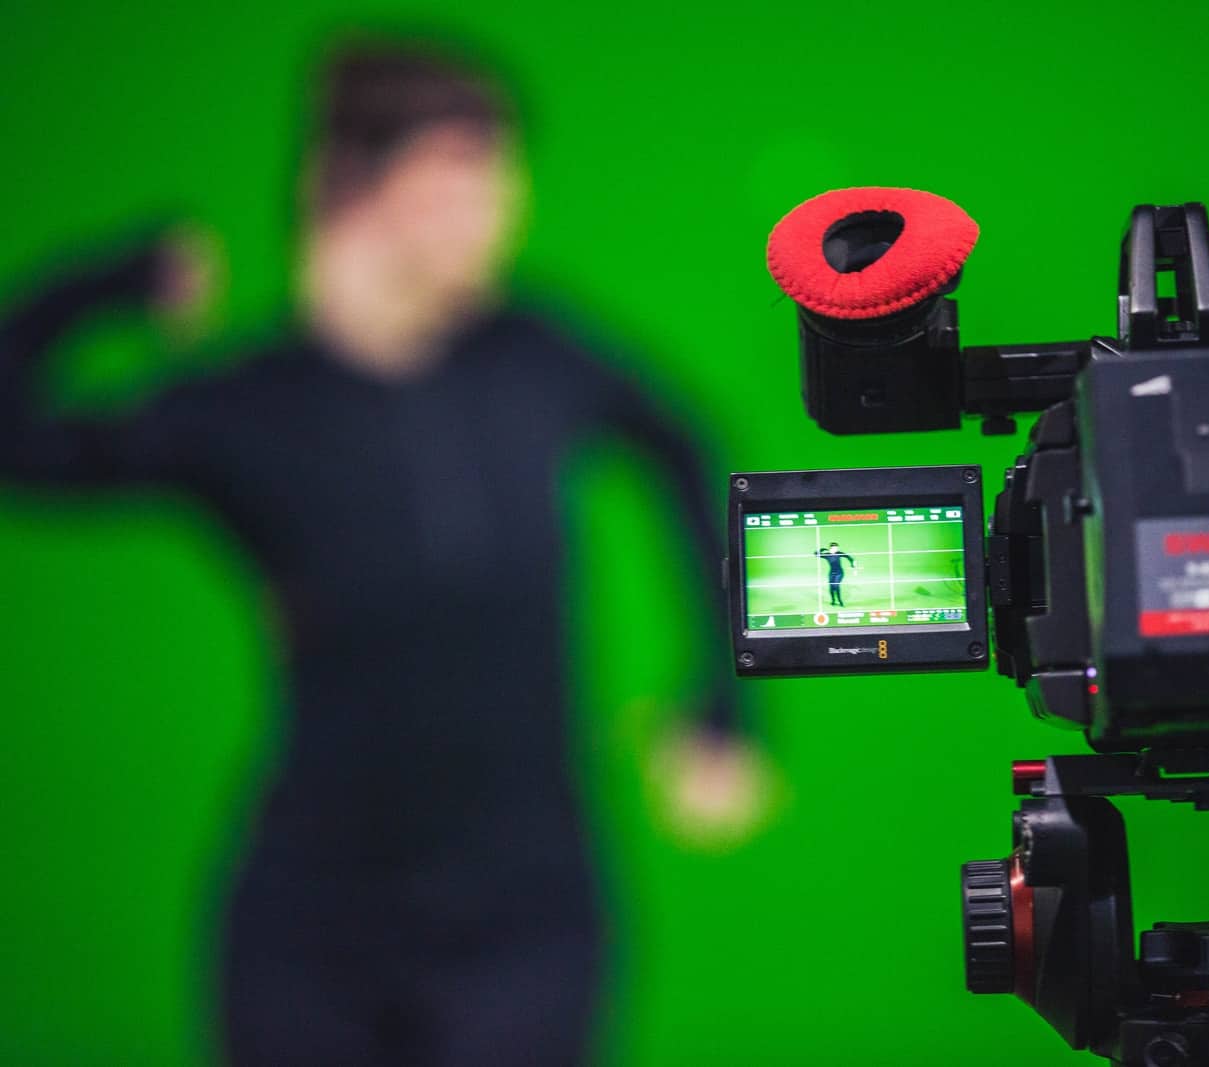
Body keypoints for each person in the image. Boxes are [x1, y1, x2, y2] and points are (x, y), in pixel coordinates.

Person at [0, 40, 755, 1066]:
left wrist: (722, 699)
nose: (496, 211)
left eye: (500, 177)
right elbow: (22, 440)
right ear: (344, 185)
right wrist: (110, 278)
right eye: (455, 178)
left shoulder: (533, 351)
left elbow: (687, 445)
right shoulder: (244, 405)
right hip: (313, 926)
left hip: (532, 913)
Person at [815, 542, 855, 607]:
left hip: (839, 573)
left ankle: (840, 601)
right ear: (831, 548)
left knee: (836, 586)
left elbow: (848, 557)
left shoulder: (839, 553)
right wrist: (822, 549)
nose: (837, 549)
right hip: (831, 573)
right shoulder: (827, 555)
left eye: (837, 548)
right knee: (831, 587)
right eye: (835, 548)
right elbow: (816, 554)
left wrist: (852, 563)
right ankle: (833, 600)